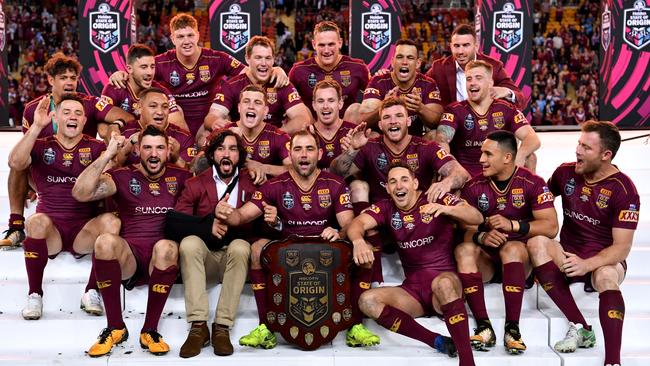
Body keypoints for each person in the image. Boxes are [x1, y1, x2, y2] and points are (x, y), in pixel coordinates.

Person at [215, 129, 381, 349]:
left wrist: (338, 233)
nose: (304, 155)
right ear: (290, 154)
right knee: (256, 248)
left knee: (365, 250)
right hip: (288, 255)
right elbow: (241, 216)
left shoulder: (334, 183)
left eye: (309, 149)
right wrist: (225, 212)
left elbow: (349, 224)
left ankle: (355, 327)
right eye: (298, 149)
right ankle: (266, 327)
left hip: (326, 251)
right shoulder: (274, 185)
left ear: (319, 154)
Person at [72, 126, 192, 357]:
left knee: (166, 246)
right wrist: (107, 155)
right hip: (131, 258)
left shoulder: (182, 177)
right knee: (105, 242)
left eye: (159, 148)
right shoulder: (123, 175)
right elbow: (80, 193)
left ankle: (150, 330)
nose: (153, 154)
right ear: (137, 150)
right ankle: (115, 326)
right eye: (147, 147)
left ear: (168, 151)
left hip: (163, 258)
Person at [527, 121, 639, 366]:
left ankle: (613, 361)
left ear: (605, 155)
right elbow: (536, 202)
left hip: (602, 259)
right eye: (579, 143)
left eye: (586, 147)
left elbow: (622, 248)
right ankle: (580, 325)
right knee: (537, 243)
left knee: (608, 276)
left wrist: (587, 264)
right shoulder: (565, 173)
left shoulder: (624, 190)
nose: (577, 150)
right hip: (567, 254)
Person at [347, 163, 482, 366]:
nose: (399, 186)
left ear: (415, 183)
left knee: (444, 284)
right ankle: (435, 340)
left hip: (444, 284)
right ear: (387, 188)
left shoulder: (435, 198)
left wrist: (446, 209)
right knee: (367, 301)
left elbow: (477, 217)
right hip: (413, 291)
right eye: (393, 182)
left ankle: (467, 361)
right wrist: (358, 241)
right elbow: (358, 223)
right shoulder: (385, 207)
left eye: (404, 180)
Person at [1, 53, 133, 249]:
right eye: (63, 78)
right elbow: (26, 151)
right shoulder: (33, 109)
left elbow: (127, 116)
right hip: (48, 176)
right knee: (18, 162)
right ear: (50, 80)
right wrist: (30, 184)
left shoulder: (89, 102)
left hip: (81, 174)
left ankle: (104, 219)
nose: (69, 82)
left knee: (109, 164)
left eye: (73, 78)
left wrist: (112, 125)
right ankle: (16, 226)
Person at [8, 94, 120, 320]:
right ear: (56, 117)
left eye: (78, 113)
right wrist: (37, 126)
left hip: (83, 231)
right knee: (35, 221)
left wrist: (108, 155)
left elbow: (108, 180)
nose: (73, 117)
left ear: (84, 119)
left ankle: (91, 291)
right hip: (52, 232)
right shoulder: (40, 145)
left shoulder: (97, 147)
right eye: (66, 112)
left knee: (112, 222)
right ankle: (34, 294)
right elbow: (15, 162)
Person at [108, 13, 288, 141]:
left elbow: (249, 74)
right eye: (180, 36)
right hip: (174, 127)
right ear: (172, 38)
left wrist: (275, 70)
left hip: (209, 125)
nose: (186, 41)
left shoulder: (217, 58)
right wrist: (122, 74)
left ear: (198, 35)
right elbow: (141, 74)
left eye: (190, 35)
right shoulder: (161, 62)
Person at [457, 131, 558, 354]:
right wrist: (481, 236)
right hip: (489, 261)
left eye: (488, 154)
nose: (481, 159)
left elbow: (551, 226)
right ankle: (484, 327)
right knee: (464, 249)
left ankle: (512, 328)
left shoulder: (532, 182)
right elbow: (463, 230)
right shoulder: (474, 186)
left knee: (512, 248)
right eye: (482, 153)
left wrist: (513, 225)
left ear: (507, 157)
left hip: (520, 262)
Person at [175, 129, 257, 358]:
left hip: (237, 261)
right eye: (220, 148)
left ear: (239, 156)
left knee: (241, 246)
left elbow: (261, 226)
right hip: (206, 260)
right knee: (190, 242)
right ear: (212, 155)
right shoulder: (195, 184)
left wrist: (272, 218)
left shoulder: (252, 182)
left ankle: (221, 327)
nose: (226, 154)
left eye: (232, 149)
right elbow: (177, 223)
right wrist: (209, 222)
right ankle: (198, 327)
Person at [435, 60, 540, 176]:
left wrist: (519, 157)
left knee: (530, 156)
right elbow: (442, 139)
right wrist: (448, 165)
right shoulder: (454, 110)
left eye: (478, 78)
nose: (472, 83)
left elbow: (532, 138)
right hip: (466, 178)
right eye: (468, 79)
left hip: (499, 176)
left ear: (490, 83)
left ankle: (529, 193)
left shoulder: (506, 108)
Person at [205, 36, 311, 133]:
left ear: (274, 59)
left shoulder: (281, 83)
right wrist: (216, 123)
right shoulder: (232, 85)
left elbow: (303, 118)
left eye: (268, 58)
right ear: (247, 59)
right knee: (205, 135)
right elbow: (211, 117)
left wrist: (277, 135)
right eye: (258, 58)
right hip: (240, 142)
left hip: (273, 145)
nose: (264, 63)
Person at [426, 24, 527, 110]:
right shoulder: (438, 67)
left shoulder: (494, 66)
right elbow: (420, 86)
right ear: (451, 46)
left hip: (486, 126)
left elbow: (521, 99)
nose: (460, 51)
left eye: (466, 45)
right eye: (457, 46)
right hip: (452, 126)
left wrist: (507, 92)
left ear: (476, 46)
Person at [289, 21, 370, 122]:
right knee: (302, 112)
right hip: (312, 132)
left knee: (356, 109)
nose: (326, 50)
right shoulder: (298, 71)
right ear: (314, 44)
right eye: (321, 45)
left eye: (331, 44)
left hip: (348, 131)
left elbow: (375, 95)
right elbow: (284, 100)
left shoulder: (357, 67)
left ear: (340, 43)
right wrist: (276, 70)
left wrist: (382, 78)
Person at [359, 39, 443, 136]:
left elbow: (438, 122)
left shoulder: (428, 83)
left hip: (415, 145)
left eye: (410, 58)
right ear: (392, 61)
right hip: (383, 143)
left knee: (434, 134)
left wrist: (420, 108)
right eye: (399, 57)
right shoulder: (378, 82)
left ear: (418, 63)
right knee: (371, 135)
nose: (404, 62)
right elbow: (361, 121)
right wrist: (383, 106)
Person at [100, 44, 188, 131]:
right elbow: (102, 131)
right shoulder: (114, 88)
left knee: (178, 109)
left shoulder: (160, 92)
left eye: (152, 67)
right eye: (144, 67)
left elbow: (180, 128)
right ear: (129, 69)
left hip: (151, 141)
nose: (150, 72)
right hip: (123, 141)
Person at [225, 85, 292, 185]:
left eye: (257, 103)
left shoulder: (278, 136)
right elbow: (199, 165)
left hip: (266, 194)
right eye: (246, 101)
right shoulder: (224, 132)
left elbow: (295, 171)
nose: (251, 106)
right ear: (239, 107)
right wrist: (227, 143)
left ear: (265, 111)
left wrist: (263, 168)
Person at [119, 87, 196, 169]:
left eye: (165, 107)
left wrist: (176, 159)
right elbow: (109, 171)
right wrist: (125, 150)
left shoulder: (184, 137)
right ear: (139, 108)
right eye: (153, 106)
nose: (160, 112)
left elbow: (193, 175)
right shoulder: (122, 133)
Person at [310, 80, 357, 170]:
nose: (325, 106)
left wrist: (352, 152)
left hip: (346, 183)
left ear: (340, 104)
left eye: (331, 100)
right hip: (315, 183)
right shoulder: (306, 133)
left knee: (358, 184)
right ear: (314, 105)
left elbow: (363, 173)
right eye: (320, 101)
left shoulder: (353, 132)